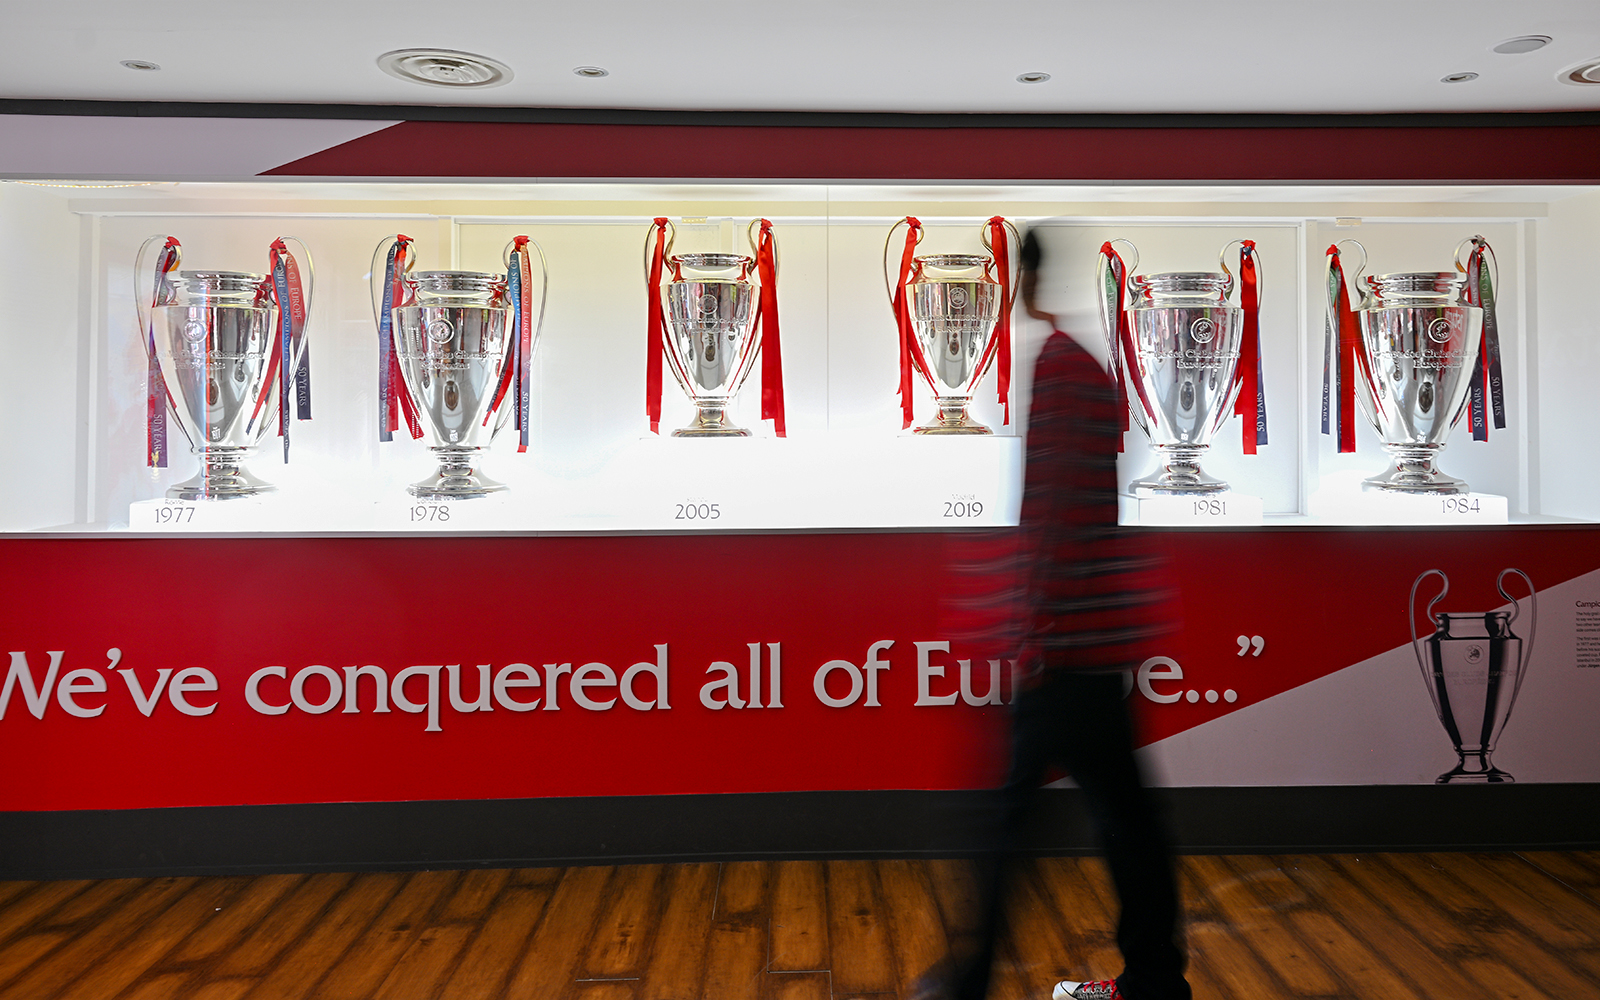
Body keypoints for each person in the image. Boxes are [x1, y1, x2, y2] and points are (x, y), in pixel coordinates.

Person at [950, 229, 1191, 1000]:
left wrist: (1033, 629)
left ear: (1020, 281)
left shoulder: (1057, 370)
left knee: (1009, 827)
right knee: (1129, 829)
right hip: (1100, 643)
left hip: (1066, 650)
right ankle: (1155, 981)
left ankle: (968, 982)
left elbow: (1054, 515)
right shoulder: (1081, 367)